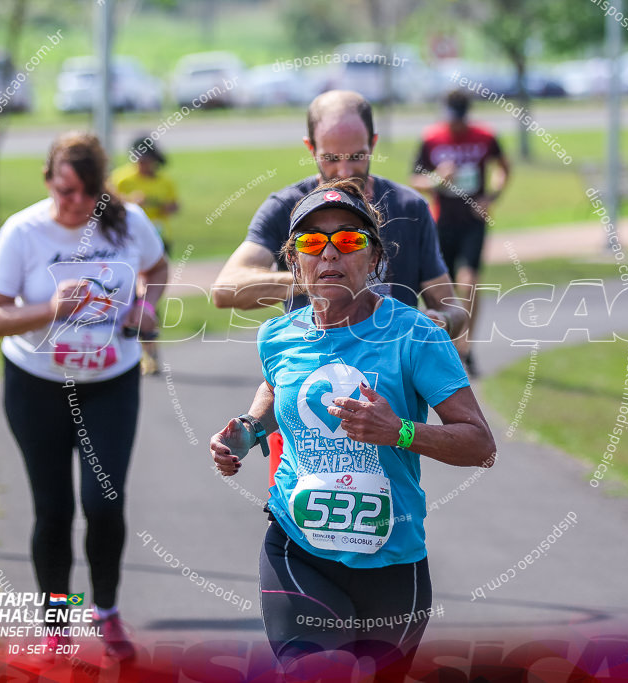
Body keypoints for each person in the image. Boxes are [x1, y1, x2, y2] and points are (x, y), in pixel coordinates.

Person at [209, 180, 496, 679]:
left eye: (349, 241)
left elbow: (480, 445)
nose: (329, 255)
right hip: (298, 548)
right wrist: (249, 429)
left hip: (392, 563)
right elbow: (282, 389)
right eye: (311, 243)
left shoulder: (415, 334)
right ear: (294, 261)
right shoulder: (277, 336)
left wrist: (401, 432)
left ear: (375, 258)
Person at [211, 89, 468, 489]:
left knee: (381, 517)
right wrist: (325, 276)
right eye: (331, 158)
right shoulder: (287, 208)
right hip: (303, 404)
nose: (344, 168)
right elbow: (225, 289)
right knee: (297, 516)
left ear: (374, 145)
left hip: (385, 410)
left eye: (357, 155)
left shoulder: (410, 207)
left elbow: (454, 308)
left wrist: (438, 322)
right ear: (310, 148)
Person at [0, 131, 168, 660]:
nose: (77, 203)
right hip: (36, 385)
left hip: (110, 383)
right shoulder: (23, 231)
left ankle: (105, 610)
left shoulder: (128, 221)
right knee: (54, 509)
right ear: (47, 182)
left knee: (104, 504)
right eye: (65, 191)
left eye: (88, 192)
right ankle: (55, 625)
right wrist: (48, 311)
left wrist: (146, 309)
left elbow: (157, 268)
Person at [411, 89, 509, 376]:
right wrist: (436, 178)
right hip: (441, 222)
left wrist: (491, 197)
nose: (454, 125)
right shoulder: (432, 138)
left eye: (458, 120)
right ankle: (447, 346)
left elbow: (503, 168)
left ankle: (466, 348)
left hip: (472, 221)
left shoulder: (485, 136)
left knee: (470, 282)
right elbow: (414, 178)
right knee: (441, 289)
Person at [110, 135, 179, 376]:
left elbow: (175, 205)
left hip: (159, 242)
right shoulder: (121, 178)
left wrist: (162, 205)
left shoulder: (164, 181)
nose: (143, 165)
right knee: (131, 296)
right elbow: (107, 204)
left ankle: (150, 353)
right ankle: (135, 350)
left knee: (149, 301)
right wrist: (130, 202)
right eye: (139, 161)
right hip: (129, 245)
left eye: (147, 161)